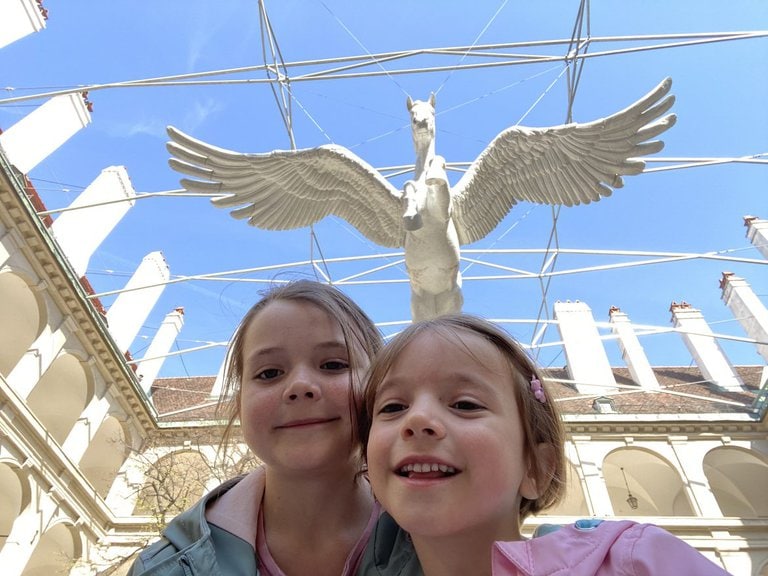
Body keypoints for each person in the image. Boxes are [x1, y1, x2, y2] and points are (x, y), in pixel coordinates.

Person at [357, 314, 731, 576]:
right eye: (392, 407)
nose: (417, 419)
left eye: (465, 404)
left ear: (537, 468)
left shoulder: (632, 561)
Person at [128, 280, 384, 575]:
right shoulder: (161, 569)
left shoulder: (428, 536)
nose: (300, 386)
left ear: (381, 387)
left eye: (333, 365)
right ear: (239, 404)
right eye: (269, 372)